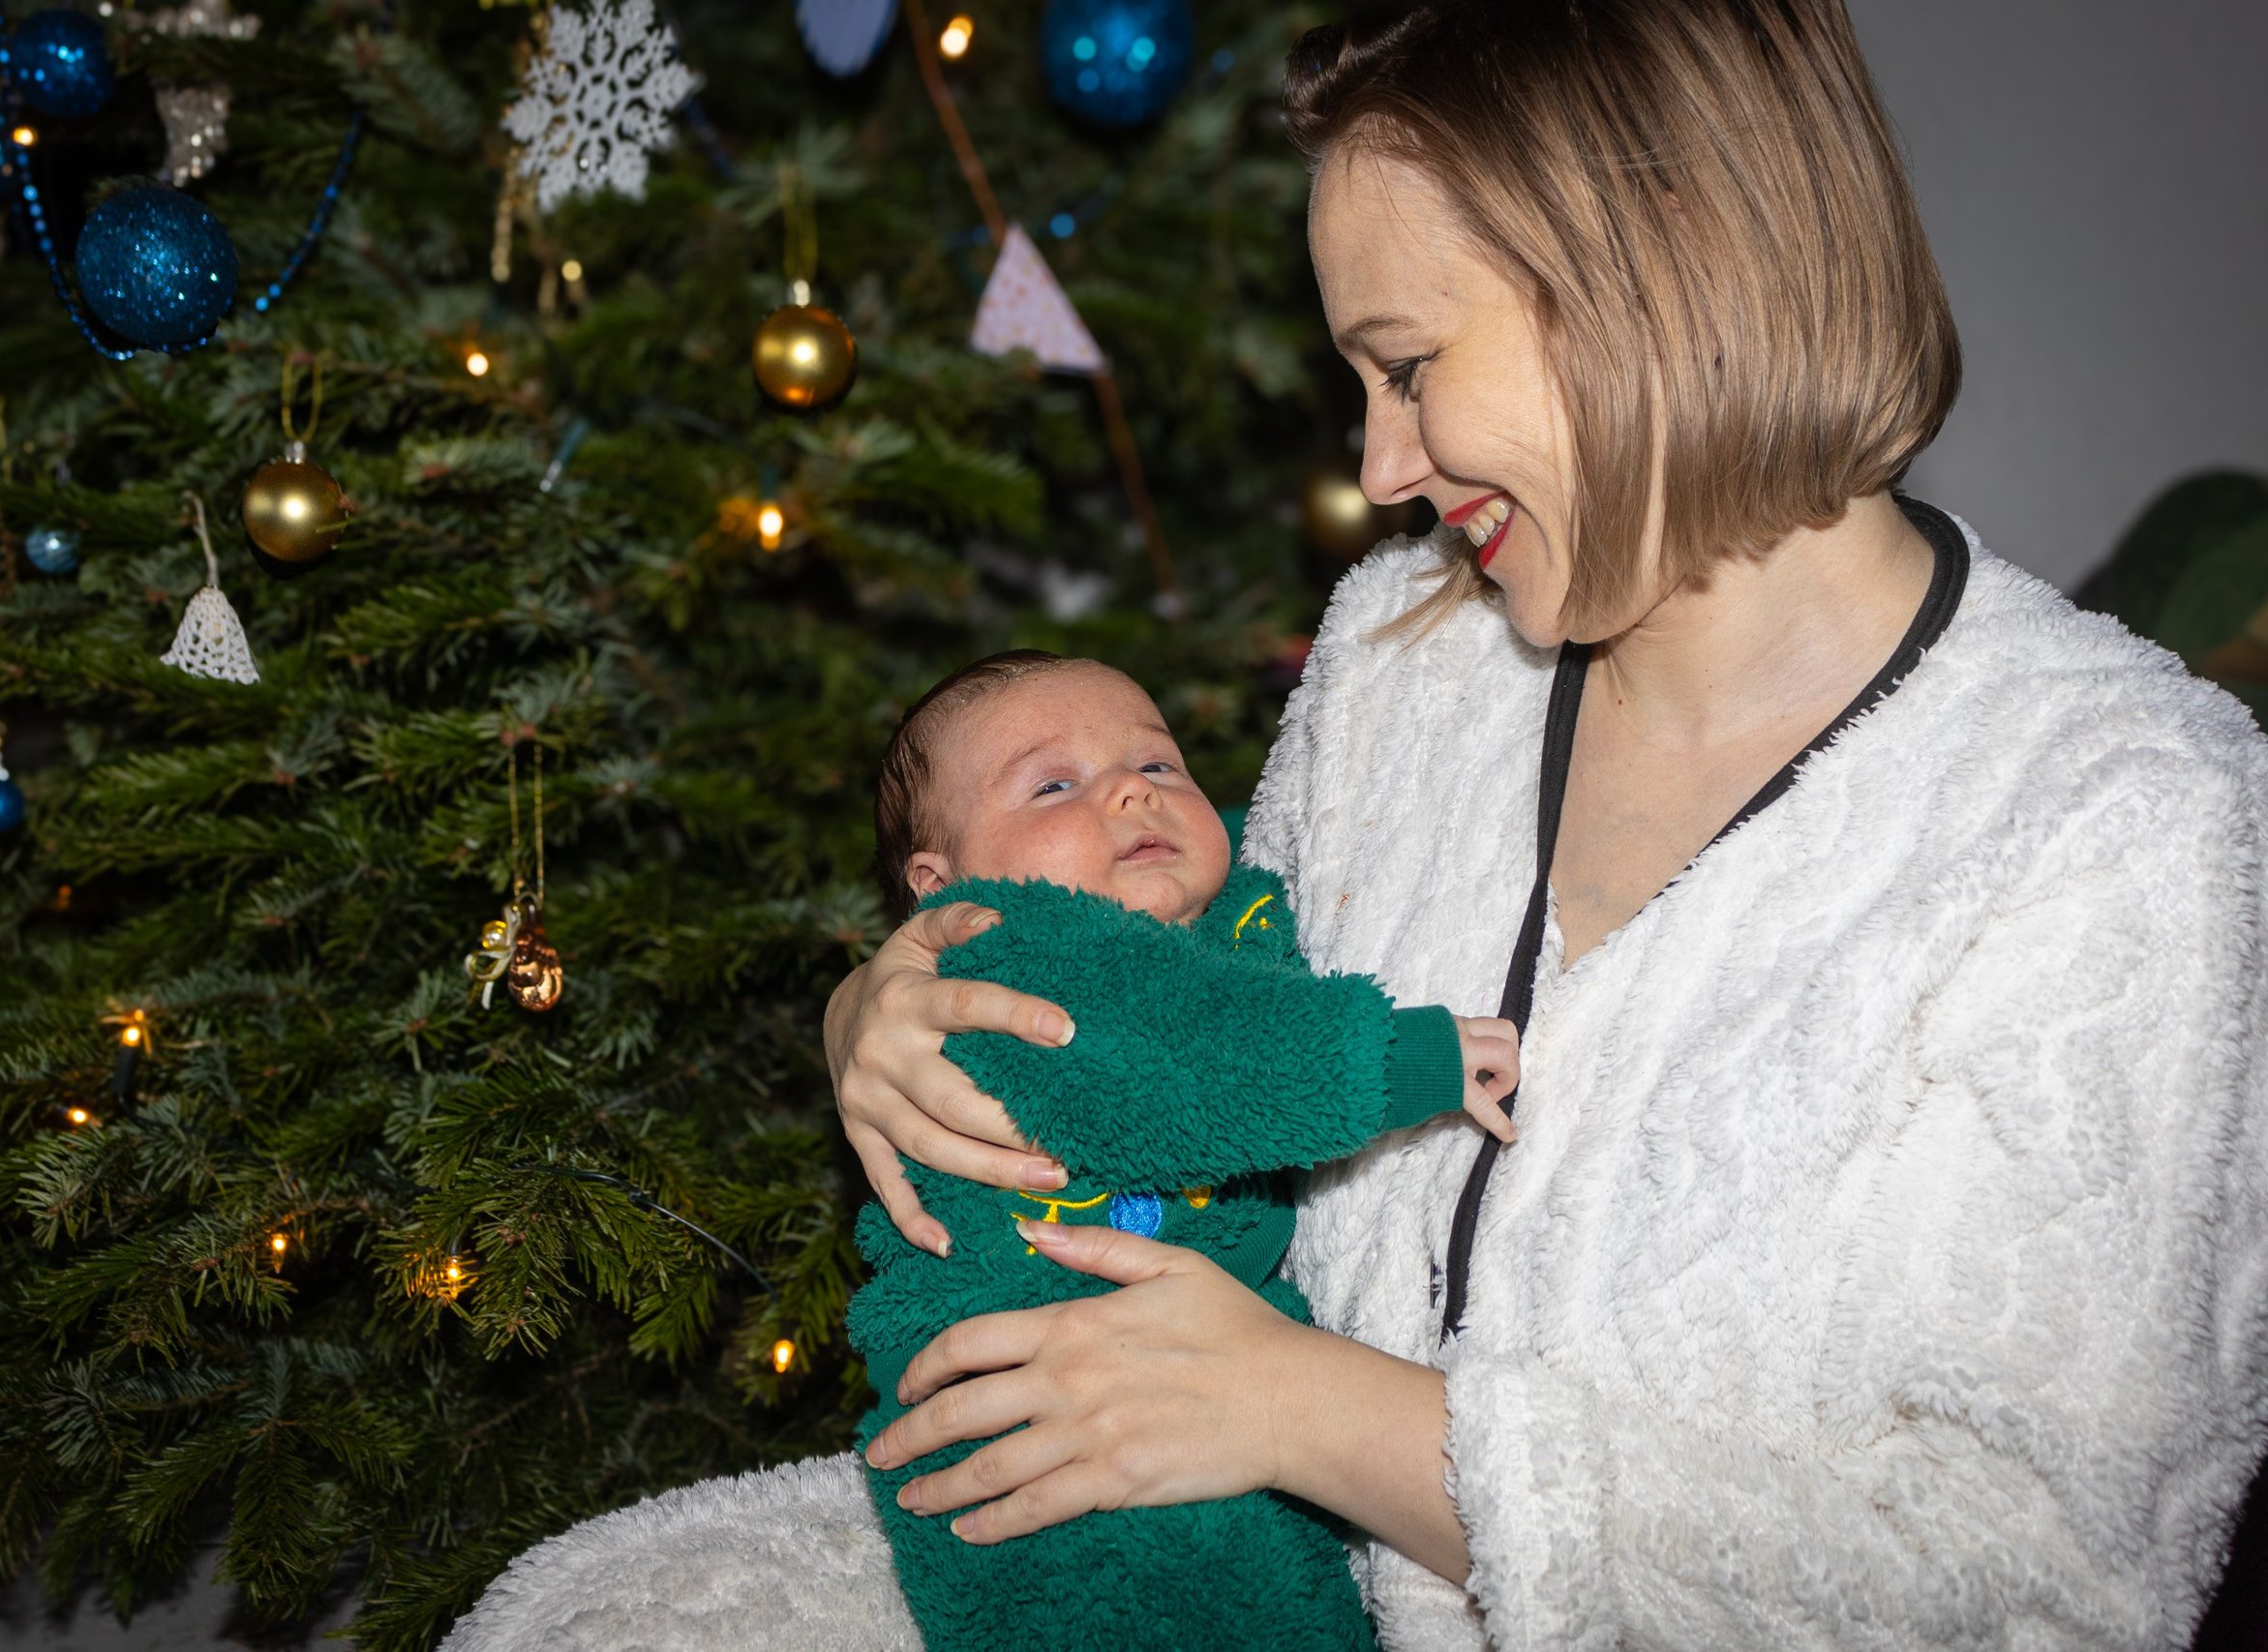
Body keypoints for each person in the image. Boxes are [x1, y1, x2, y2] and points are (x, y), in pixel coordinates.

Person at [439, 3, 2268, 1648]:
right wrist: (899, 996)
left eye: (1408, 365)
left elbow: (2039, 1574)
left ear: (1663, 278)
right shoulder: (1419, 661)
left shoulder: (2120, 821)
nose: (1382, 466)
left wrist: (1309, 1407)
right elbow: (1191, 985)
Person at [845, 647, 1516, 1651]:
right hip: (1019, 1403)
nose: (1127, 790)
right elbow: (1197, 1060)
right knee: (1175, 1598)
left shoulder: (1221, 910)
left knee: (1277, 1592)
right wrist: (1402, 1059)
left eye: (1157, 767)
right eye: (1054, 785)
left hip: (1162, 1377)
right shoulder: (1015, 951)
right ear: (943, 888)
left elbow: (1251, 860)